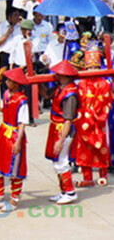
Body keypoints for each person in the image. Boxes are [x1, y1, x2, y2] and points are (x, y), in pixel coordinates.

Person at [0, 68, 29, 211]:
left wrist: (18, 142)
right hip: (3, 133)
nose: (7, 82)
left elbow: (22, 123)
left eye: (9, 80)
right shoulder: (6, 94)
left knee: (15, 170)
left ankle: (14, 200)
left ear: (16, 83)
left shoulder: (22, 100)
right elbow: (2, 108)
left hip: (14, 135)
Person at [72, 53, 112, 187]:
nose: (92, 70)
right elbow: (78, 102)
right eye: (90, 67)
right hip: (83, 120)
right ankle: (87, 177)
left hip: (99, 120)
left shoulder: (104, 83)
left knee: (102, 147)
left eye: (95, 66)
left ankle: (103, 175)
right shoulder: (81, 83)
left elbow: (107, 100)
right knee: (84, 149)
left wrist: (94, 114)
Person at [45, 60, 80, 205]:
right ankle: (64, 191)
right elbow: (46, 95)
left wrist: (61, 140)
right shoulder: (60, 88)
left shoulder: (70, 94)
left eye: (59, 74)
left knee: (61, 161)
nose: (56, 76)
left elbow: (68, 119)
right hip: (56, 128)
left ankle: (70, 192)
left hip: (63, 131)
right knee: (56, 161)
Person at [0, 8, 21, 94]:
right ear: (9, 17)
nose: (18, 17)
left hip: (15, 56)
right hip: (5, 54)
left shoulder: (20, 27)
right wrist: (8, 33)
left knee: (15, 79)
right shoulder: (1, 26)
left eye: (18, 15)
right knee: (3, 79)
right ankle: (4, 97)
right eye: (15, 15)